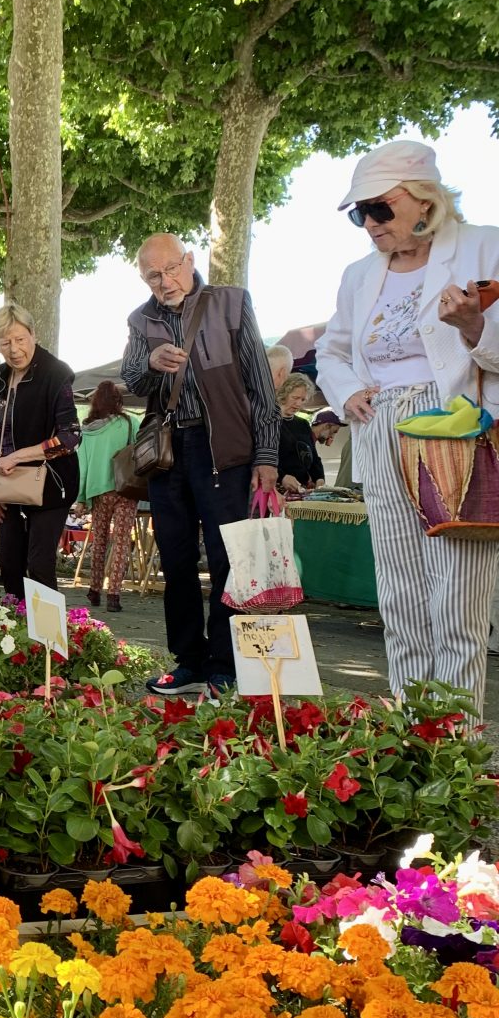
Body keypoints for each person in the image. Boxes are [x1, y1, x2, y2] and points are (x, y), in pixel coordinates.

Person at [315, 138, 499, 718]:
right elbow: (331, 351)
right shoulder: (358, 274)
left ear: (424, 200)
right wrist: (347, 395)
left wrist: (474, 327)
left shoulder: (483, 248)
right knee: (398, 592)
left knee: (458, 597)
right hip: (379, 426)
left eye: (379, 208)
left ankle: (459, 745)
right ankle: (412, 733)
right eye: (358, 213)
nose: (368, 224)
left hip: (454, 428)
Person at [121, 233, 280, 696]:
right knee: (176, 558)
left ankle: (225, 664)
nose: (164, 281)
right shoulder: (141, 318)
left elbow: (259, 387)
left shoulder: (230, 302)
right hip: (169, 451)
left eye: (171, 269)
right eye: (153, 275)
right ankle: (188, 660)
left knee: (229, 558)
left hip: (223, 451)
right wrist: (151, 360)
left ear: (189, 261)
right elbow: (131, 379)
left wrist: (266, 456)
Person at [0, 303, 80, 596]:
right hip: (10, 485)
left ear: (33, 335)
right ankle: (15, 634)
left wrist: (17, 457)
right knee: (10, 565)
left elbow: (70, 437)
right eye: (5, 342)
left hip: (52, 485)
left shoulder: (56, 373)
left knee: (39, 565)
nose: (14, 349)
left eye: (20, 339)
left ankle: (48, 640)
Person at [78, 380, 138, 612]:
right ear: (118, 400)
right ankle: (114, 595)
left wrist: (81, 498)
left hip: (98, 491)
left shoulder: (87, 430)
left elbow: (82, 468)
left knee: (100, 539)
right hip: (126, 488)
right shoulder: (131, 422)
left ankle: (94, 590)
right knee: (122, 541)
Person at [277, 374, 325, 492]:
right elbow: (262, 456)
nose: (299, 404)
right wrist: (281, 476)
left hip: (301, 489)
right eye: (295, 398)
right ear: (283, 394)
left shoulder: (303, 424)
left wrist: (319, 477)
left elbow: (313, 455)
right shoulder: (269, 423)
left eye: (302, 399)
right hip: (276, 488)